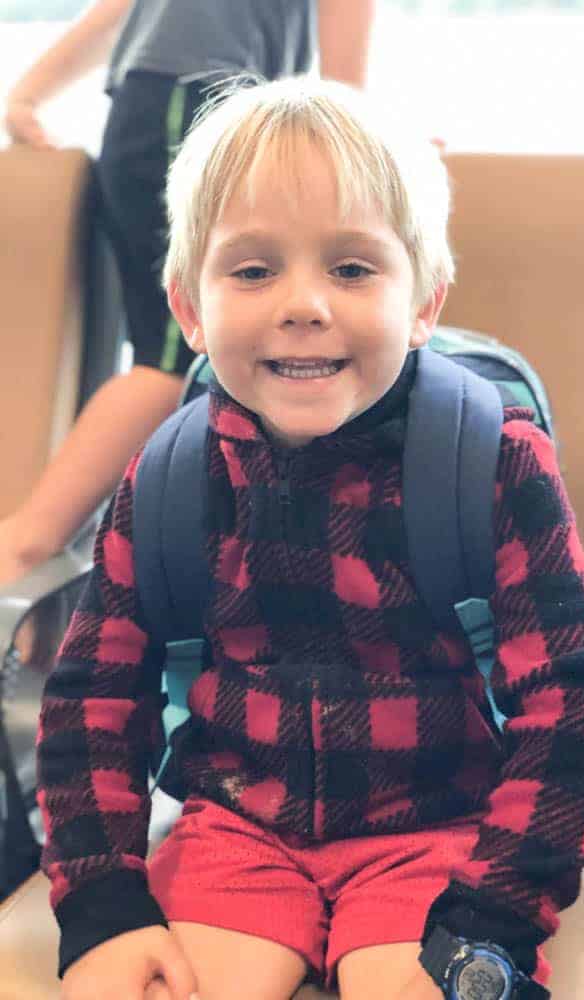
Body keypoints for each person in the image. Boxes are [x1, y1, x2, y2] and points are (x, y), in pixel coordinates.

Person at [36, 76, 584, 1000]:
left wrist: (494, 913)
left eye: (351, 269)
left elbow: (576, 706)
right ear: (188, 311)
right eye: (251, 270)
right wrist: (103, 904)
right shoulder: (169, 478)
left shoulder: (493, 464)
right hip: (236, 832)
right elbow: (92, 699)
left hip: (439, 833)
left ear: (424, 302)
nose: (303, 304)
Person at [0, 0, 375, 588]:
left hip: (152, 107)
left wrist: (28, 93)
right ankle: (23, 543)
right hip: (197, 106)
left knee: (173, 349)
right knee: (176, 357)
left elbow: (121, 9)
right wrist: (358, 145)